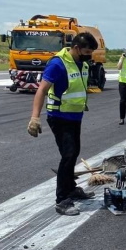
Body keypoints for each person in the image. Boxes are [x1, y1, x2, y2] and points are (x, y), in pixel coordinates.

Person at [27, 32, 99, 216]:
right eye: (86, 51)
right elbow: (41, 90)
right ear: (76, 48)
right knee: (68, 155)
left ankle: (71, 188)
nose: (89, 55)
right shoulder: (58, 64)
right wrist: (35, 117)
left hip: (75, 116)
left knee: (73, 153)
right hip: (59, 117)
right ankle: (62, 200)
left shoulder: (81, 62)